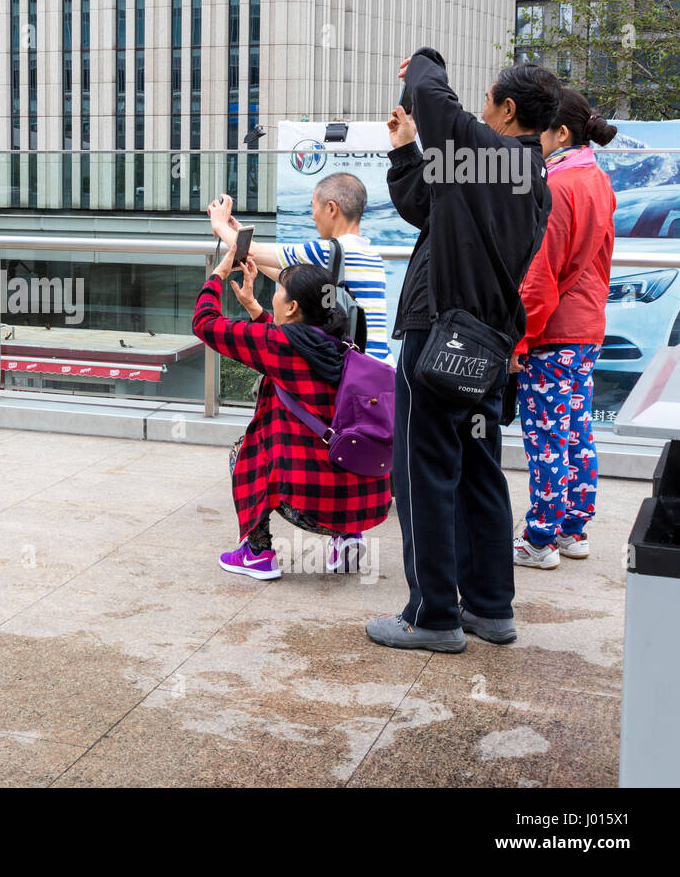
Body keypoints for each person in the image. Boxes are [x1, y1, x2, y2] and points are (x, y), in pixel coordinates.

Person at [367, 49, 558, 653]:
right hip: (488, 350)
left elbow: (429, 91)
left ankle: (433, 616)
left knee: (422, 471)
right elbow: (425, 207)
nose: (477, 112)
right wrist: (405, 150)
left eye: (486, 102)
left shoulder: (486, 154)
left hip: (439, 337)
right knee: (478, 469)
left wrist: (425, 59)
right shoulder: (528, 178)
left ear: (507, 109)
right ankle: (489, 609)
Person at [192, 241, 392, 580]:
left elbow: (205, 323)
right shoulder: (342, 342)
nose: (275, 294)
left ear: (293, 306)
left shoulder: (277, 346)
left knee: (244, 450)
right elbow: (296, 341)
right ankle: (346, 542)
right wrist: (255, 307)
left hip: (306, 506)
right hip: (361, 503)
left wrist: (219, 272)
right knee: (330, 437)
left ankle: (257, 552)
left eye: (279, 290)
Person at [511, 89, 617, 569]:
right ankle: (574, 529)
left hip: (553, 331)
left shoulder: (557, 184)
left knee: (546, 439)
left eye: (541, 133)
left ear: (561, 133)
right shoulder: (597, 178)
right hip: (588, 326)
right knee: (576, 432)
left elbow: (539, 274)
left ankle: (539, 539)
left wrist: (520, 337)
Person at [213, 176, 394, 365]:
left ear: (331, 208)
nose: (312, 216)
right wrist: (239, 235)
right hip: (380, 366)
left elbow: (253, 251)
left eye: (314, 207)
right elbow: (288, 279)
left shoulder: (324, 251)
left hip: (355, 368)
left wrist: (219, 224)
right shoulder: (371, 254)